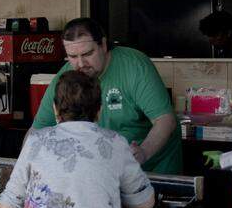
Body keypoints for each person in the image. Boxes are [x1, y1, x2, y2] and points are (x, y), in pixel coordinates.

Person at [2, 71, 155, 208]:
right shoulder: (115, 142)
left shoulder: (35, 141)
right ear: (99, 111)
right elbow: (144, 202)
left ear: (55, 109)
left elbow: (10, 204)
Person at [31, 18, 182, 174]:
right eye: (73, 57)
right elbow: (36, 131)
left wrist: (143, 152)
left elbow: (165, 120)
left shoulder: (134, 66)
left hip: (153, 169)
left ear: (103, 45)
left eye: (87, 53)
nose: (81, 64)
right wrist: (26, 170)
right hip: (105, 171)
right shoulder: (66, 77)